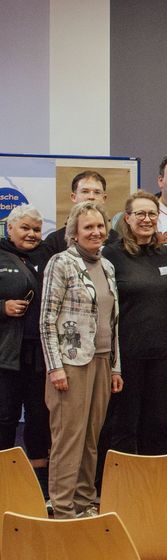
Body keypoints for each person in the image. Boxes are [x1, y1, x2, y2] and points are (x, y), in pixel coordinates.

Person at [40, 201, 124, 519]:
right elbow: (47, 320)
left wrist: (116, 366)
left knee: (91, 437)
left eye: (100, 226)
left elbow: (114, 321)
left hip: (102, 360)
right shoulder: (60, 264)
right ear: (74, 232)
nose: (96, 232)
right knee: (68, 438)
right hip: (70, 364)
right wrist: (55, 367)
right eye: (88, 227)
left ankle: (85, 499)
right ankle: (62, 506)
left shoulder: (108, 266)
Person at [102, 191, 167, 458]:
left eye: (152, 214)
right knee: (124, 424)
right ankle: (120, 487)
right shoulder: (111, 256)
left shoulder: (166, 254)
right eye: (140, 214)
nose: (147, 219)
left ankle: (153, 488)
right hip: (126, 356)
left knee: (157, 424)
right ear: (127, 218)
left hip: (162, 356)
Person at [0, 205, 50, 493]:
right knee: (5, 417)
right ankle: (5, 481)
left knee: (39, 418)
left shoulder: (48, 257)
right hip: (6, 355)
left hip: (41, 356)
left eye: (36, 229)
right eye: (25, 228)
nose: (32, 234)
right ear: (10, 228)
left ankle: (40, 486)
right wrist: (2, 307)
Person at [43, 171, 120, 256]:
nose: (91, 197)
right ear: (73, 197)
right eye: (85, 191)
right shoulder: (53, 242)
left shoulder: (117, 241)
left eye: (97, 192)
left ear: (104, 198)